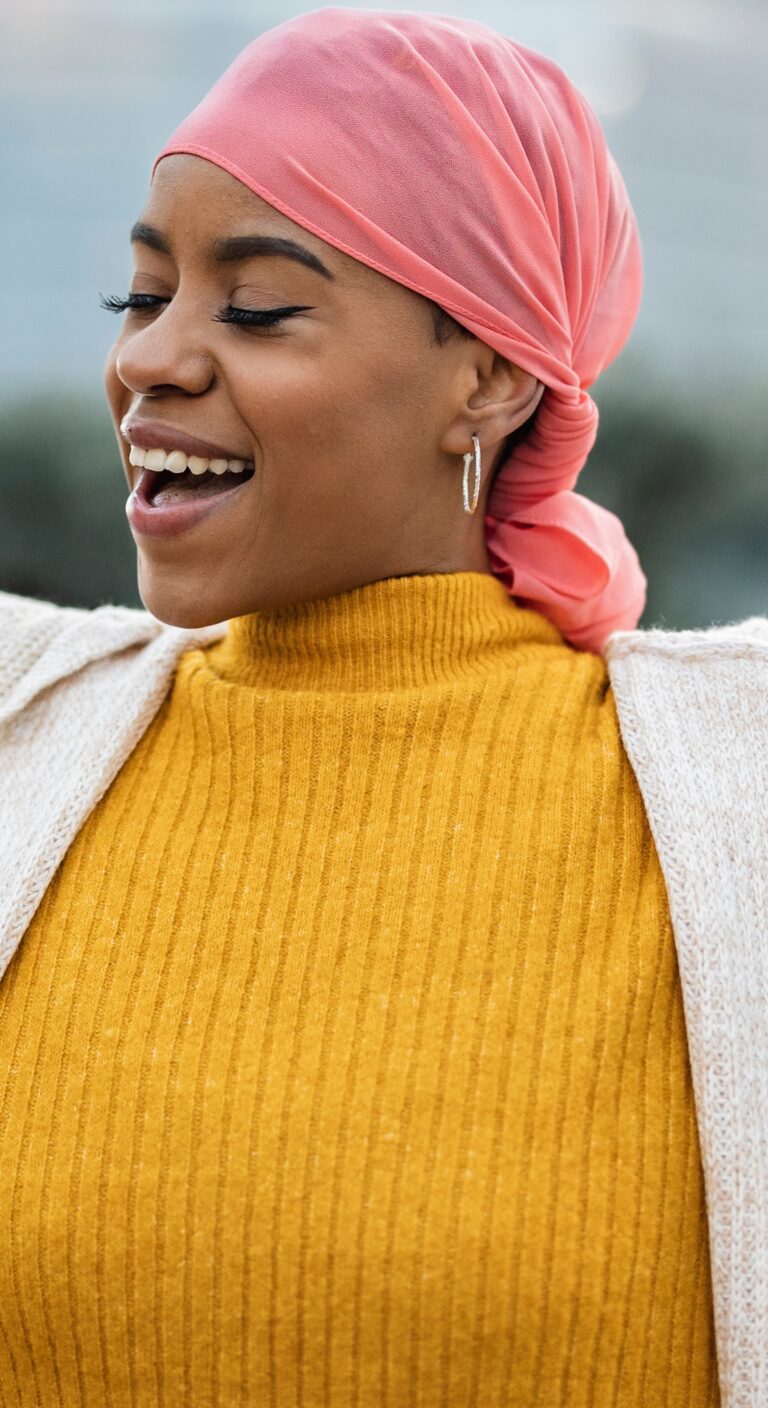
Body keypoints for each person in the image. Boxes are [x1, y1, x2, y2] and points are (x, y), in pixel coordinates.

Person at [0, 9, 765, 1405]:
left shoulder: (730, 810)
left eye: (257, 306)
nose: (150, 362)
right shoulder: (23, 739)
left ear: (487, 377)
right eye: (141, 295)